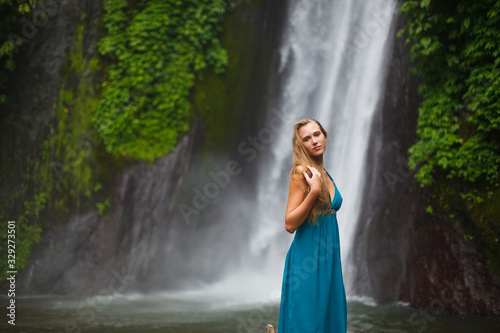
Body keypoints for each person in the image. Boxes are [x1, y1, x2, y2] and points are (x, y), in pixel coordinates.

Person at [278, 118, 347, 332]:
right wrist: (314, 192)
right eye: (306, 139)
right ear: (301, 145)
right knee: (307, 322)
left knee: (330, 317)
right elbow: (290, 223)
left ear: (325, 135)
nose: (314, 141)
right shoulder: (302, 172)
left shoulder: (325, 174)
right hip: (307, 260)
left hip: (329, 258)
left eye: (317, 134)